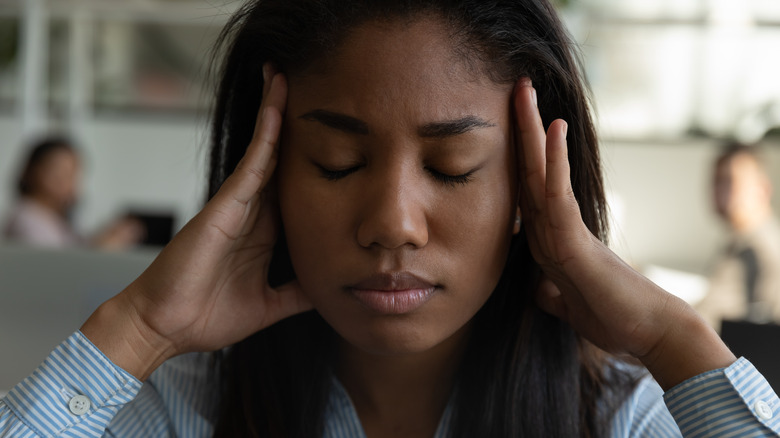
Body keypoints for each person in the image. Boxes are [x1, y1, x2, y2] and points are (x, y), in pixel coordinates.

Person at [1, 1, 778, 436]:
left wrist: (670, 341)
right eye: (337, 163)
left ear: (532, 190)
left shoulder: (621, 421)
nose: (393, 225)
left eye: (452, 169)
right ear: (263, 177)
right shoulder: (182, 413)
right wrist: (139, 330)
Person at [3, 136, 145, 250]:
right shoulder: (27, 220)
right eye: (57, 172)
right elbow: (55, 268)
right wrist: (101, 249)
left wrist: (103, 238)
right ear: (31, 171)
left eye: (71, 174)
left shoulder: (52, 217)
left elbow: (71, 247)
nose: (64, 181)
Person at [697, 143, 780, 329]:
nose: (719, 192)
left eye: (730, 181)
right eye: (716, 182)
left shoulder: (760, 252)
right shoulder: (738, 242)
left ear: (763, 189)